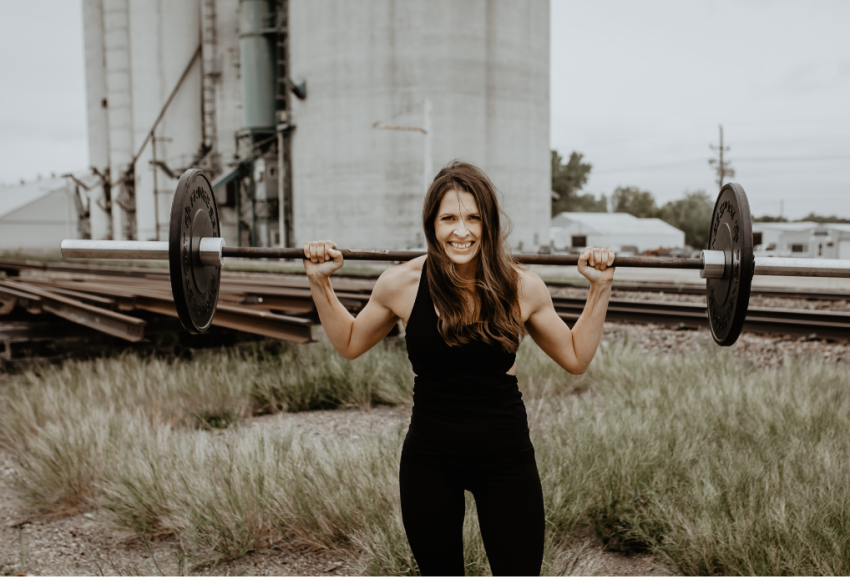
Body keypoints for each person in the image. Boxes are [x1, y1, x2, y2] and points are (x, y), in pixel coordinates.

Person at [303, 161, 614, 576]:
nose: (461, 232)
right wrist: (320, 282)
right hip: (430, 460)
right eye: (449, 218)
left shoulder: (523, 286)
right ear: (432, 223)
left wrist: (600, 288)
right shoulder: (401, 283)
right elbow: (349, 342)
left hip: (506, 458)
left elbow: (576, 358)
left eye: (473, 218)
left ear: (489, 224)